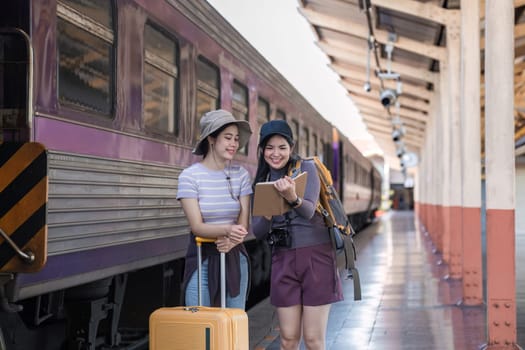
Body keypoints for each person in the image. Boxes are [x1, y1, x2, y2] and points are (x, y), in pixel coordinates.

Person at [252, 120, 343, 350]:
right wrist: (268, 214)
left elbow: (308, 210)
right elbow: (258, 232)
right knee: (288, 339)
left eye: (282, 147)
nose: (276, 153)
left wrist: (291, 197)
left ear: (291, 148)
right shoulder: (261, 182)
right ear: (262, 150)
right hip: (282, 260)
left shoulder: (306, 168)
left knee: (313, 340)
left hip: (316, 258)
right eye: (270, 147)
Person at [177, 109, 253, 309]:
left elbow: (244, 223)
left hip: (235, 255)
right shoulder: (189, 176)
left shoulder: (241, 175)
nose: (234, 144)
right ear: (211, 139)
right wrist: (228, 231)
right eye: (228, 138)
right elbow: (197, 226)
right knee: (198, 320)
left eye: (236, 139)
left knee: (232, 325)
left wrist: (232, 240)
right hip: (201, 255)